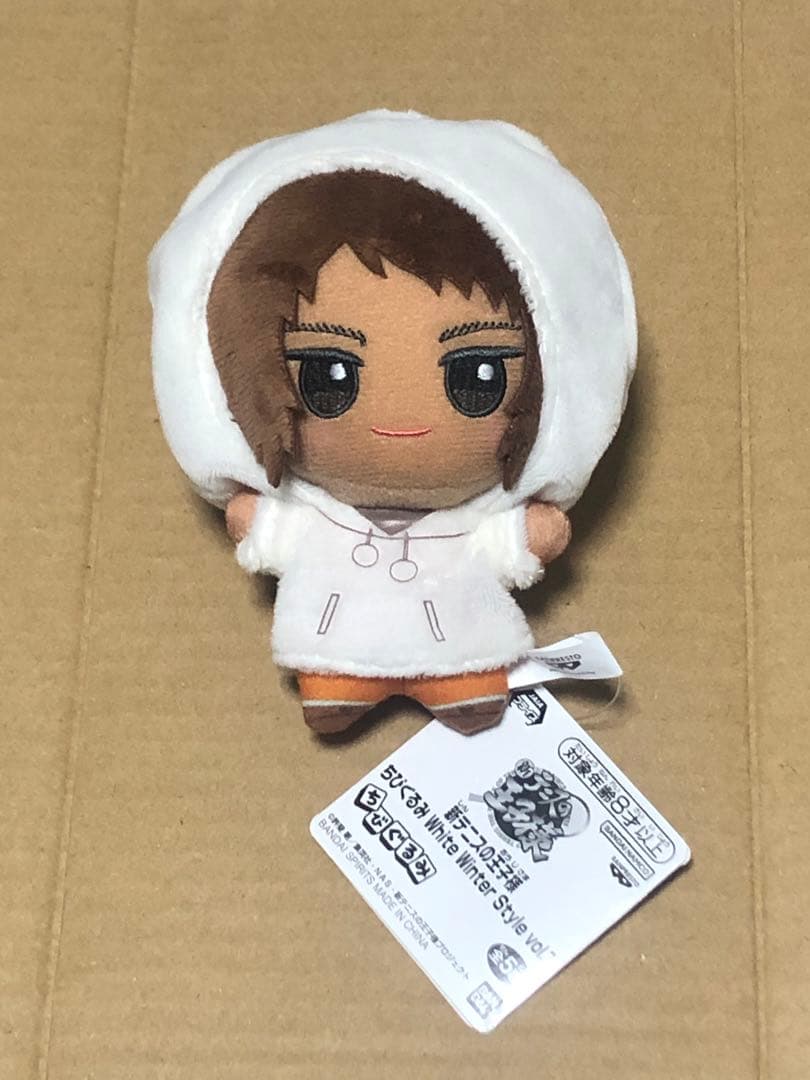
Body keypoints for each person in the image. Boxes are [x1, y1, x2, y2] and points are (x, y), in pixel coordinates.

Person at [150, 111, 636, 735]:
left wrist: (528, 534)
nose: (402, 421)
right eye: (328, 378)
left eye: (477, 376)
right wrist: (259, 520)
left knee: (464, 670)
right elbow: (266, 526)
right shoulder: (314, 512)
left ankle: (458, 685)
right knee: (335, 675)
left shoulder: (471, 519)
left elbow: (519, 541)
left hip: (460, 638)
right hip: (334, 634)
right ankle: (339, 686)